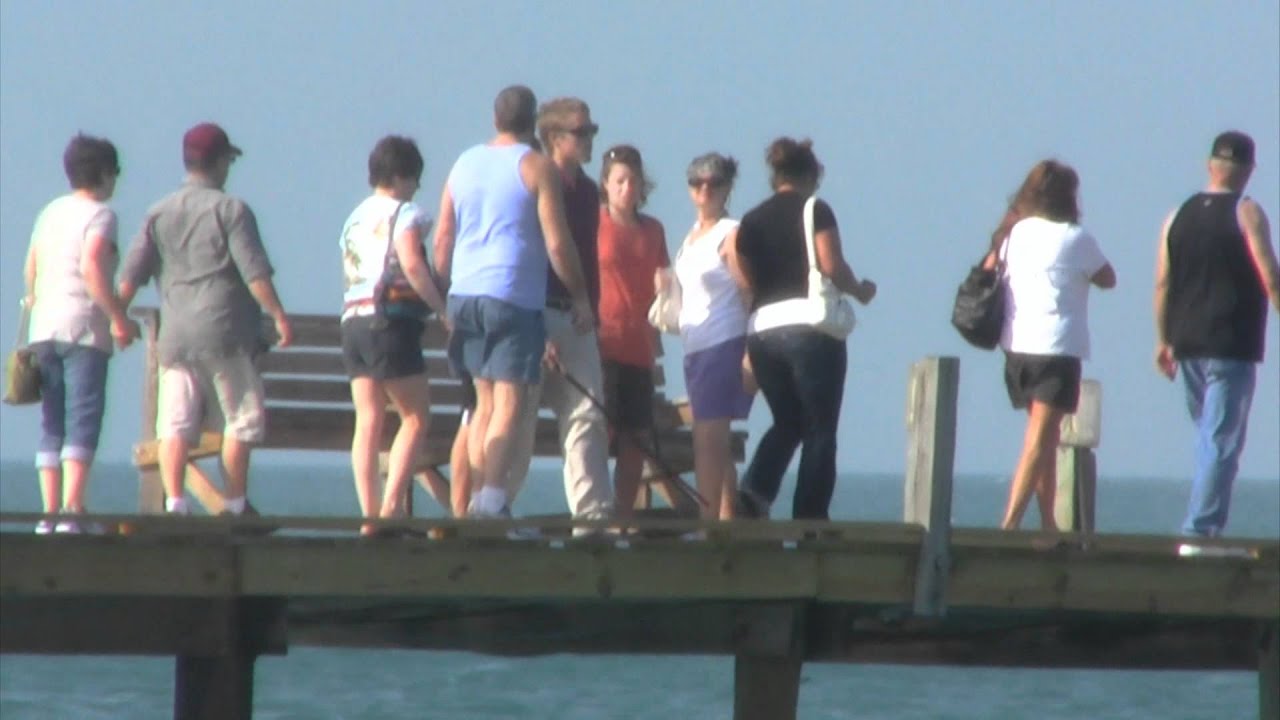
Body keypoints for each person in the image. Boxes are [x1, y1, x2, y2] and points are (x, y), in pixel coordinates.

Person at [434, 85, 594, 520]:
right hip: (512, 296)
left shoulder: (464, 164)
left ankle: (471, 503)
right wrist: (579, 294)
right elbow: (558, 245)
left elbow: (443, 237)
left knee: (481, 406)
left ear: (495, 119)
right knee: (508, 404)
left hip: (464, 295)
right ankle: (490, 501)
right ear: (534, 127)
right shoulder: (536, 166)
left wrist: (445, 289)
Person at [119, 122, 293, 517]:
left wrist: (118, 317)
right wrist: (279, 315)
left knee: (175, 423)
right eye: (228, 160)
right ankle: (233, 502)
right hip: (226, 332)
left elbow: (129, 279)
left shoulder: (158, 212)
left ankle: (175, 500)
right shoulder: (231, 210)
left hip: (176, 336)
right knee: (240, 418)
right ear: (218, 163)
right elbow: (255, 275)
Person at [732, 138, 876, 521]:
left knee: (788, 421)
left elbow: (744, 274)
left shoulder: (750, 220)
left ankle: (754, 493)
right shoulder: (816, 209)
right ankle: (810, 518)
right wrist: (860, 290)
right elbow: (831, 266)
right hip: (809, 333)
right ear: (811, 175)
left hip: (762, 333)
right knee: (820, 428)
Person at [1154, 131, 1279, 552]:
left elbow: (1163, 281)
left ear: (1210, 166)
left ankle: (1204, 526)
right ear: (1247, 172)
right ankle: (1201, 532)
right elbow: (1270, 274)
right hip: (1230, 342)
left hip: (1186, 340)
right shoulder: (1247, 212)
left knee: (1209, 436)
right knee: (1221, 439)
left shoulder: (1178, 215)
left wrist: (1163, 339)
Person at [985, 159, 1115, 532]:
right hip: (1056, 346)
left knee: (1046, 435)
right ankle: (1009, 525)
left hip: (1016, 347)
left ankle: (1048, 523)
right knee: (1040, 439)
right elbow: (1108, 278)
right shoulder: (1076, 238)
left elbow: (991, 267)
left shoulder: (1014, 233)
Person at [505, 97, 616, 529]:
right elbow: (536, 253)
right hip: (538, 312)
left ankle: (591, 519)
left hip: (578, 317)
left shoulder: (589, 191)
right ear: (553, 137)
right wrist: (538, 327)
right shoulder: (536, 181)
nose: (590, 139)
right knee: (521, 419)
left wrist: (591, 307)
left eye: (592, 130)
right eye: (581, 132)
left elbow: (586, 255)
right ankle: (496, 511)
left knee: (587, 414)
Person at [22, 134, 137, 534]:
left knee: (52, 420)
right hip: (83, 329)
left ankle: (48, 514)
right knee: (83, 417)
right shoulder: (100, 215)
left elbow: (30, 270)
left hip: (44, 327)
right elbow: (92, 267)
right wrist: (118, 318)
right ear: (105, 174)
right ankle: (72, 510)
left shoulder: (50, 212)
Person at [339, 135, 447, 534]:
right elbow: (413, 264)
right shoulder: (405, 213)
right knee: (415, 417)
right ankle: (390, 509)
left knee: (367, 419)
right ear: (402, 176)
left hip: (353, 322)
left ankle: (368, 514)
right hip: (390, 321)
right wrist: (441, 309)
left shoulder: (354, 218)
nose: (417, 187)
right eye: (415, 179)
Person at [673, 152, 754, 521]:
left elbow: (748, 290)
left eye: (714, 182)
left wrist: (751, 349)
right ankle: (725, 518)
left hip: (723, 342)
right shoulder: (691, 237)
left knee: (707, 441)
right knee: (714, 440)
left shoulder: (730, 233)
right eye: (697, 181)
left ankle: (706, 527)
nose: (704, 188)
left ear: (727, 188)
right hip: (697, 347)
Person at [595, 144, 669, 518]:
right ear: (606, 184)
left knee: (635, 441)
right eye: (619, 181)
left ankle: (621, 520)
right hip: (601, 345)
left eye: (633, 181)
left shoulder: (653, 229)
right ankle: (593, 515)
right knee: (598, 433)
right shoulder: (594, 222)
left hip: (639, 348)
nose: (627, 188)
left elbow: (665, 283)